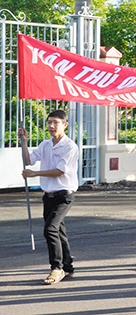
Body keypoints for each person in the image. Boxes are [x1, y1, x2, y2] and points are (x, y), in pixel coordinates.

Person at [19, 110, 80, 285]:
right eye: (49, 122)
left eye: (56, 122)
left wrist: (35, 174)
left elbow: (60, 171)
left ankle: (57, 267)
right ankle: (67, 266)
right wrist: (24, 142)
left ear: (65, 125)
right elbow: (28, 160)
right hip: (49, 195)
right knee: (59, 231)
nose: (52, 126)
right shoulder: (45, 145)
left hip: (64, 195)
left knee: (50, 229)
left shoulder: (70, 146)